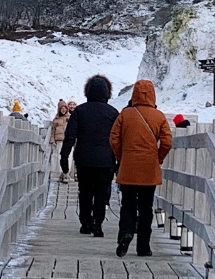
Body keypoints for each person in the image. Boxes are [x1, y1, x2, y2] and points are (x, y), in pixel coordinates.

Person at [108, 78, 173, 257]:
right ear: (152, 94)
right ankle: (143, 246)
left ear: (134, 94)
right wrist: (157, 157)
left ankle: (126, 233)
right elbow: (167, 141)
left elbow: (114, 139)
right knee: (146, 207)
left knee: (128, 204)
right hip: (149, 169)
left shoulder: (125, 113)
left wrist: (123, 156)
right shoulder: (159, 116)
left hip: (129, 166)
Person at [59, 77, 117, 235]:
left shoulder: (80, 111)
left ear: (88, 91)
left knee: (85, 191)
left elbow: (70, 136)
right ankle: (98, 223)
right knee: (102, 192)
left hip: (84, 159)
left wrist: (64, 157)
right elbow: (118, 139)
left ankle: (85, 223)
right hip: (106, 160)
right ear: (107, 92)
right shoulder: (113, 112)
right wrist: (119, 161)